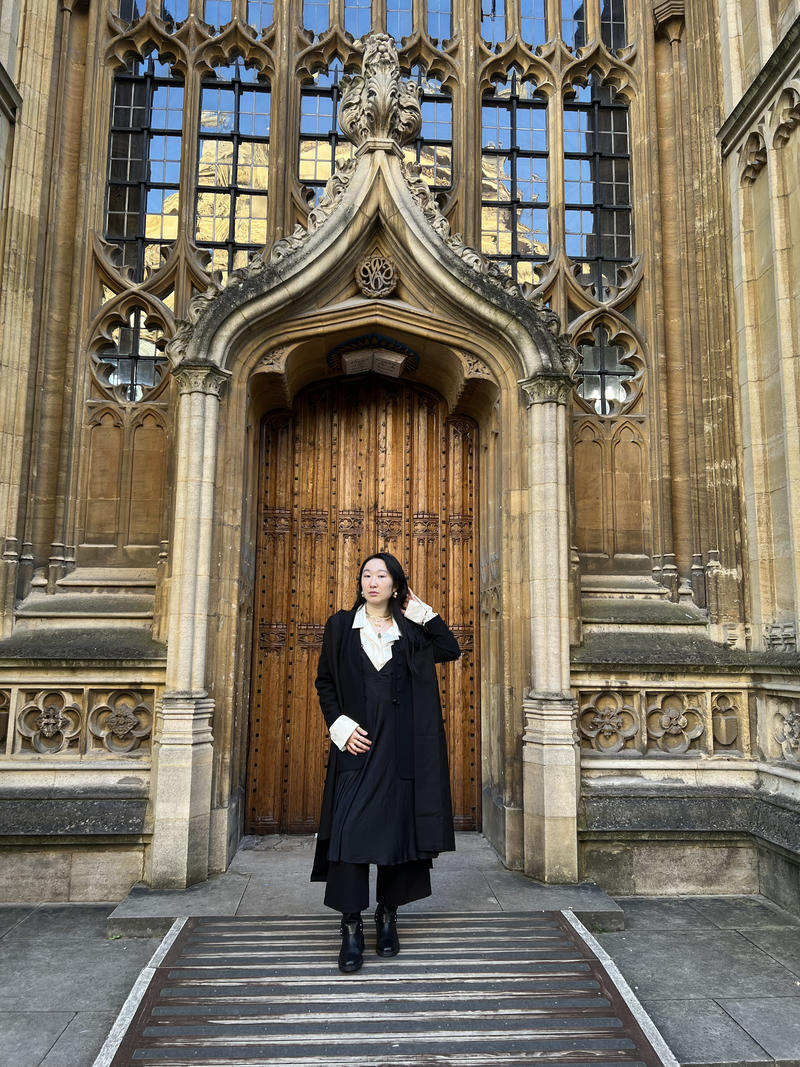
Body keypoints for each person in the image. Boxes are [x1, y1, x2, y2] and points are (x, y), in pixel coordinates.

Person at [311, 552, 461, 973]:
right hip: (357, 747)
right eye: (366, 575)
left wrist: (422, 612)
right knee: (348, 833)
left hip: (401, 750)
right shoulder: (341, 626)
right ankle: (352, 926)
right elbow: (325, 681)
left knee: (398, 834)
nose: (372, 581)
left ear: (396, 585)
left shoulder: (411, 631)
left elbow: (450, 648)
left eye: (382, 575)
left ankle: (388, 916)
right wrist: (338, 725)